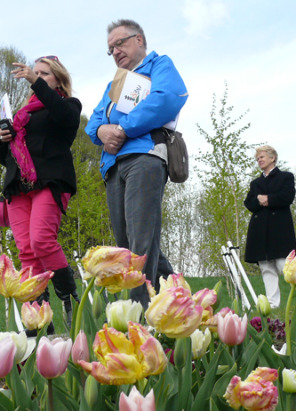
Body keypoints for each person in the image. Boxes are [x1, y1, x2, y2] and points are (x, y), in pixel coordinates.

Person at [85, 19, 187, 307]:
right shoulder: (114, 84)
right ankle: (181, 303)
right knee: (127, 245)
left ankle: (140, 314)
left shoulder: (158, 66)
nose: (115, 51)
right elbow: (93, 123)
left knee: (141, 244)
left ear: (139, 40)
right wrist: (102, 131)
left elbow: (169, 98)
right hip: (113, 166)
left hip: (144, 157)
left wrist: (123, 128)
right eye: (110, 49)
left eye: (120, 43)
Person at [0, 56, 81, 330]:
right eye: (36, 73)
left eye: (44, 73)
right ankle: (39, 319)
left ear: (59, 80)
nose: (38, 76)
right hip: (18, 187)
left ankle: (69, 299)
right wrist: (2, 137)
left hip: (48, 181)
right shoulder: (21, 114)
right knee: (27, 251)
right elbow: (3, 157)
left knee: (42, 239)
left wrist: (34, 81)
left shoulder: (67, 105)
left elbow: (64, 119)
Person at [243, 145, 296, 310]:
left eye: (262, 157)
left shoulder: (285, 177)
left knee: (287, 267)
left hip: (280, 230)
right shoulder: (255, 183)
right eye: (257, 159)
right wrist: (259, 201)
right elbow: (248, 203)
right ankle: (273, 305)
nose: (259, 160)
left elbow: (288, 196)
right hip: (260, 231)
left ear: (272, 158)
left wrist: (268, 199)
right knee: (266, 267)